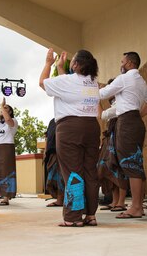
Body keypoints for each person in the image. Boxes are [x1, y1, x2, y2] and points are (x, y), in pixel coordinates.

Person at [40, 49, 101, 227]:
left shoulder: (67, 81)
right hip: (91, 128)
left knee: (72, 172)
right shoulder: (93, 82)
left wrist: (48, 64)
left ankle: (73, 217)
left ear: (75, 65)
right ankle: (90, 215)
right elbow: (70, 87)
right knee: (90, 172)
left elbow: (43, 83)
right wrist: (61, 69)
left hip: (70, 129)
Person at [99, 52, 147, 219]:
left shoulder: (124, 78)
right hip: (136, 122)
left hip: (127, 122)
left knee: (129, 163)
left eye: (122, 61)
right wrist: (139, 114)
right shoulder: (140, 80)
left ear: (130, 63)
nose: (121, 64)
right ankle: (139, 206)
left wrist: (93, 89)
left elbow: (103, 94)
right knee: (136, 163)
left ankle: (136, 208)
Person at [98, 94, 129, 212]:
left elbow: (103, 115)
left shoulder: (120, 103)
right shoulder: (113, 104)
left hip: (118, 140)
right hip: (110, 140)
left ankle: (121, 201)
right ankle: (114, 201)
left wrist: (96, 99)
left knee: (119, 169)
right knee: (110, 169)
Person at [0, 99, 18, 206]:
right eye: (3, 108)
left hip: (6, 147)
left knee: (6, 171)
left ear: (10, 112)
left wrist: (2, 107)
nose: (3, 110)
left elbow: (8, 120)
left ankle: (6, 197)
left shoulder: (13, 121)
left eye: (6, 108)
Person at [43, 119, 63, 207]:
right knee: (51, 179)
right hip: (52, 152)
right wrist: (45, 151)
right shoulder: (51, 121)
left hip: (63, 151)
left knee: (61, 178)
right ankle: (59, 199)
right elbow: (47, 137)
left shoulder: (65, 118)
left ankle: (61, 200)